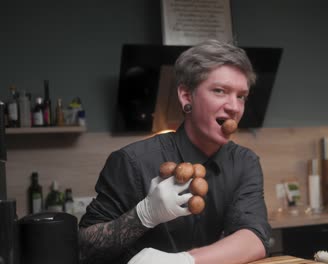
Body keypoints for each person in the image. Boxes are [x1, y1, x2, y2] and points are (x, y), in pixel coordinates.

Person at [78, 39, 271, 264]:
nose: (235, 107)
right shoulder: (133, 162)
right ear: (186, 96)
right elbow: (83, 248)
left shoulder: (244, 162)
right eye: (220, 91)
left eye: (241, 96)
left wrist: (184, 261)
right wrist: (143, 216)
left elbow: (254, 238)